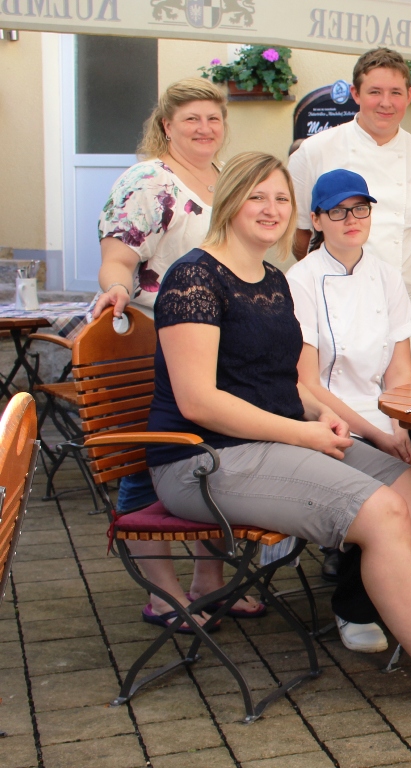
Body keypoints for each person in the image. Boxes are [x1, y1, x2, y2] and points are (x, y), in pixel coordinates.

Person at [146, 151, 411, 711]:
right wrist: (304, 434)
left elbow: (298, 384)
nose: (270, 209)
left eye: (280, 198)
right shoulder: (193, 277)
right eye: (257, 196)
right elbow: (199, 403)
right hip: (203, 459)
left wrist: (354, 424)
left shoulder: (269, 279)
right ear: (230, 201)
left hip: (271, 443)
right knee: (381, 510)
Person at [286, 169, 411, 653]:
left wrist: (400, 424)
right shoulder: (301, 281)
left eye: (361, 208)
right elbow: (307, 383)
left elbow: (400, 371)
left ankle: (395, 575)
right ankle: (355, 604)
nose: (352, 219)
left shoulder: (385, 275)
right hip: (327, 422)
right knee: (398, 481)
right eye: (338, 211)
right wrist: (380, 437)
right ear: (316, 219)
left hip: (385, 414)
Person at [93, 77, 264, 632]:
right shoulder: (147, 181)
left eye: (213, 119)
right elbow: (118, 257)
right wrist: (116, 287)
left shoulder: (224, 179)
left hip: (219, 342)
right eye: (191, 119)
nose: (204, 128)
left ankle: (208, 582)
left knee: (214, 454)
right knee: (151, 461)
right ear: (167, 125)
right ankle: (161, 592)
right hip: (156, 340)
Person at [289, 47, 411, 378]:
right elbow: (299, 236)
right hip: (334, 309)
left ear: (409, 95)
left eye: (395, 93)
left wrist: (391, 275)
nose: (386, 103)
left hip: (405, 309)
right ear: (355, 94)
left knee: (407, 413)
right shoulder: (315, 151)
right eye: (374, 92)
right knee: (340, 411)